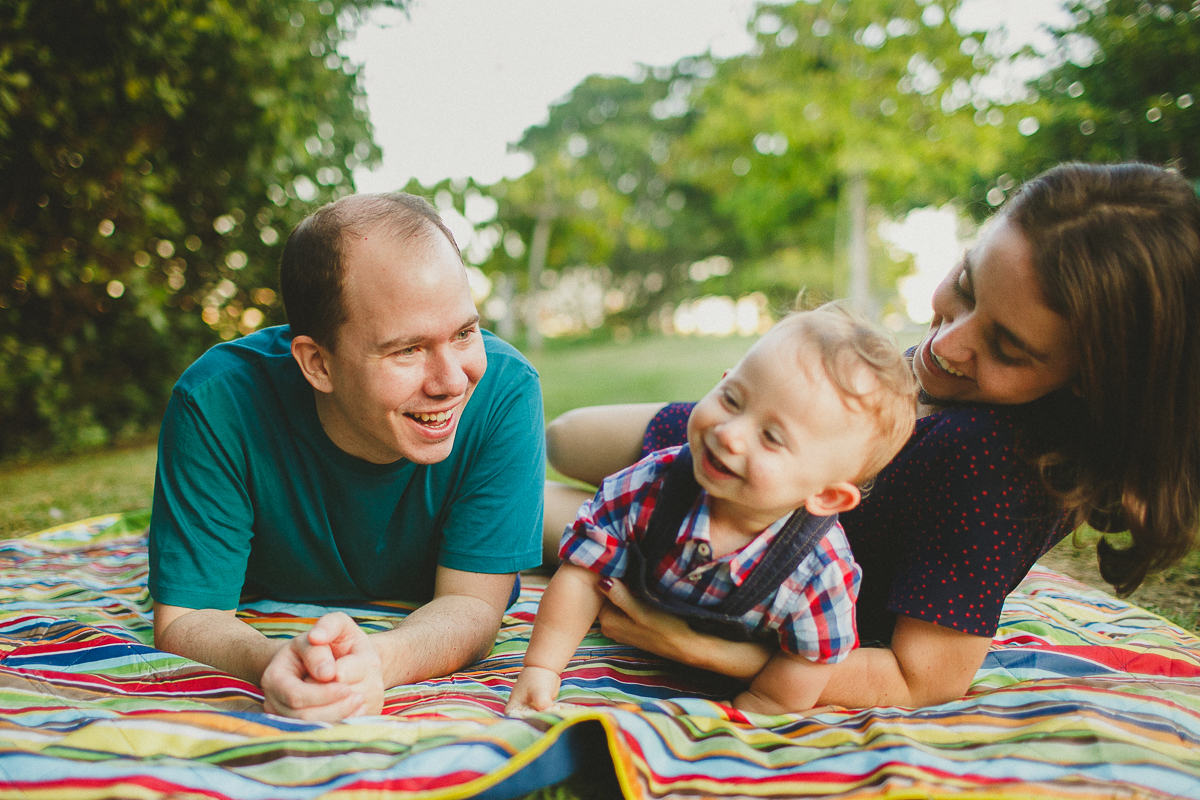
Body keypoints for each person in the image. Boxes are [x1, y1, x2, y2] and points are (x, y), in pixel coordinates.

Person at [541, 161, 1200, 710]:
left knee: (516, 499)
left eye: (1007, 347)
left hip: (752, 541)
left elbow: (924, 680)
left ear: (1088, 381)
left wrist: (698, 647)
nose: (947, 344)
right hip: (747, 457)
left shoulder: (1001, 465)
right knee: (564, 438)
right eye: (966, 286)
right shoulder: (950, 376)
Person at [148, 192, 545, 721]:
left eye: (464, 333)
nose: (452, 381)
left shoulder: (505, 392)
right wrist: (274, 661)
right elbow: (187, 616)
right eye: (407, 349)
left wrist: (377, 661)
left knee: (580, 533)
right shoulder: (217, 404)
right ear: (318, 364)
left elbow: (472, 603)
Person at [507, 306, 917, 716]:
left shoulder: (821, 569)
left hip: (729, 673)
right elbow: (581, 575)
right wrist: (543, 667)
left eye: (771, 437)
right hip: (632, 635)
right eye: (732, 399)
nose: (730, 433)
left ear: (826, 497)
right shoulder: (652, 483)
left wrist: (758, 707)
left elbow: (809, 661)